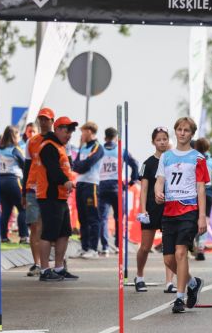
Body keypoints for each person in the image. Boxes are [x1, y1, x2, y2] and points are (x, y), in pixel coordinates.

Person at [154, 117, 207, 313]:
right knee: (169, 260)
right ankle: (193, 282)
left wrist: (202, 216)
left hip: (189, 210)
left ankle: (180, 297)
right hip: (169, 211)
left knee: (181, 252)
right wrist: (157, 192)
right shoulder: (166, 157)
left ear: (192, 134)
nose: (182, 133)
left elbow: (201, 188)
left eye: (186, 130)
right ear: (175, 132)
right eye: (179, 129)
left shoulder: (198, 158)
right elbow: (160, 180)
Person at [37, 116, 79, 281]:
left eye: (71, 131)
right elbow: (52, 170)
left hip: (60, 196)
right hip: (49, 195)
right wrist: (65, 181)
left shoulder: (60, 147)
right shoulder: (48, 146)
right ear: (58, 129)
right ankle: (44, 269)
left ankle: (59, 267)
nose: (69, 134)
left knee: (64, 232)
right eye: (66, 130)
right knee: (49, 233)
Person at [135, 127, 176, 293]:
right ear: (153, 142)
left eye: (165, 139)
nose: (162, 142)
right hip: (152, 208)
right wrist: (143, 210)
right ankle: (139, 276)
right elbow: (143, 190)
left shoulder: (173, 161)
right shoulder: (148, 163)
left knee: (169, 247)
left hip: (170, 208)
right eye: (159, 139)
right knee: (145, 247)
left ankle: (169, 282)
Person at [22, 108, 54, 276]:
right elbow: (26, 167)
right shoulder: (31, 142)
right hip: (33, 189)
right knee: (34, 226)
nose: (43, 122)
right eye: (41, 119)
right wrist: (23, 192)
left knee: (49, 227)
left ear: (52, 121)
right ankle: (37, 264)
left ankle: (48, 263)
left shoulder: (58, 141)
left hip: (51, 190)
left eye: (46, 119)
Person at [98, 127, 139, 256]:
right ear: (116, 138)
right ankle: (118, 246)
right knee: (119, 218)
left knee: (103, 219)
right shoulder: (121, 150)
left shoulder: (99, 150)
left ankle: (105, 247)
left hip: (102, 186)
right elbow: (135, 164)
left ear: (105, 138)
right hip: (117, 187)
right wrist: (133, 180)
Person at [72, 122, 104, 258]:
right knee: (82, 217)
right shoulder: (83, 147)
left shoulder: (98, 147)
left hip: (92, 184)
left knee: (92, 217)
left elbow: (86, 165)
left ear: (90, 132)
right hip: (80, 183)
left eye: (83, 131)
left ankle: (93, 249)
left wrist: (79, 166)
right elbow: (75, 165)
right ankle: (84, 247)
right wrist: (79, 165)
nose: (81, 134)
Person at [0, 126, 28, 243]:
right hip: (14, 180)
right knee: (22, 208)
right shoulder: (15, 149)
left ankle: (3, 237)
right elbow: (25, 164)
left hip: (1, 180)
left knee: (6, 210)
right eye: (18, 135)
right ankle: (24, 236)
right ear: (14, 136)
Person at [194, 137, 212, 261]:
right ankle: (201, 247)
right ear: (208, 148)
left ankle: (192, 243)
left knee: (193, 219)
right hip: (208, 192)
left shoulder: (192, 160)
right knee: (205, 220)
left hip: (193, 193)